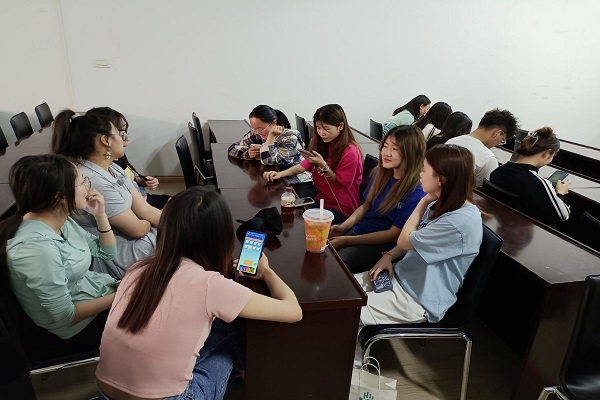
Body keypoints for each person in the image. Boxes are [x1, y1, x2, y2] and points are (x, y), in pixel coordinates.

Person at [96, 187, 302, 400]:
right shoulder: (211, 285)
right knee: (235, 332)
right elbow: (293, 311)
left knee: (217, 325)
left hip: (105, 391)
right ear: (220, 238)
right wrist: (267, 272)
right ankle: (249, 376)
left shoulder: (138, 269)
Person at [1, 154, 118, 356]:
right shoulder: (37, 250)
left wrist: (100, 215)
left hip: (97, 292)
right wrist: (122, 295)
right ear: (60, 197)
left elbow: (107, 253)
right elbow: (66, 316)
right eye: (82, 182)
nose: (88, 187)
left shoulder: (60, 219)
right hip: (79, 327)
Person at [355, 145, 483, 326]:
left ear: (440, 179)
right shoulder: (441, 202)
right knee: (341, 293)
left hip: (416, 298)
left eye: (423, 170)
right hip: (399, 277)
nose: (419, 174)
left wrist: (423, 201)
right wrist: (389, 256)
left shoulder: (459, 221)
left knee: (344, 314)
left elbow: (405, 240)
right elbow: (414, 239)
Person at [52, 109, 159, 278]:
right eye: (119, 134)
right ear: (106, 140)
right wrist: (150, 222)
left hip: (130, 237)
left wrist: (175, 222)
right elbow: (137, 229)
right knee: (181, 244)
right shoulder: (94, 180)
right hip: (117, 251)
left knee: (184, 229)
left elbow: (145, 209)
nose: (123, 140)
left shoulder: (113, 167)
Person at [328, 125, 426, 273]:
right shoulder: (381, 173)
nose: (386, 153)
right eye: (385, 146)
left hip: (381, 246)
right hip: (360, 231)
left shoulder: (416, 191)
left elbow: (392, 234)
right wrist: (343, 227)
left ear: (411, 153)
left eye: (395, 149)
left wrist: (347, 240)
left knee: (334, 265)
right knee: (322, 248)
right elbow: (366, 205)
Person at [263, 104, 363, 224]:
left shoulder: (351, 152)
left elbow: (341, 183)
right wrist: (280, 174)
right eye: (318, 128)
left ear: (340, 126)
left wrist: (324, 166)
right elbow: (303, 165)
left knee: (299, 223)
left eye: (326, 129)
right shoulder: (324, 144)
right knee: (284, 213)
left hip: (341, 208)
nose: (321, 133)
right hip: (321, 200)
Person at [87, 107, 171, 209]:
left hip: (142, 199)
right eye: (120, 131)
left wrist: (142, 181)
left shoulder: (118, 159)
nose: (125, 134)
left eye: (125, 129)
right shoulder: (107, 169)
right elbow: (140, 210)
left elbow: (127, 181)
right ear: (105, 138)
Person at [228, 105, 315, 198]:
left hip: (297, 181)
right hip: (275, 179)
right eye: (254, 128)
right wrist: (247, 153)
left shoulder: (290, 137)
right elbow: (233, 148)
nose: (257, 132)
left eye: (260, 129)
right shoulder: (257, 132)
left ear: (273, 123)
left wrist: (271, 137)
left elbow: (269, 161)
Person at [490, 127, 570, 228]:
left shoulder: (498, 171)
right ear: (546, 153)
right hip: (525, 231)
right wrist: (560, 193)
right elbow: (563, 215)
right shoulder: (537, 184)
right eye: (553, 155)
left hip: (499, 224)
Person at [446, 108, 518, 187]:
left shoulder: (451, 141)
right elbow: (480, 191)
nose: (499, 143)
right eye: (502, 140)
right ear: (496, 133)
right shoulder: (488, 159)